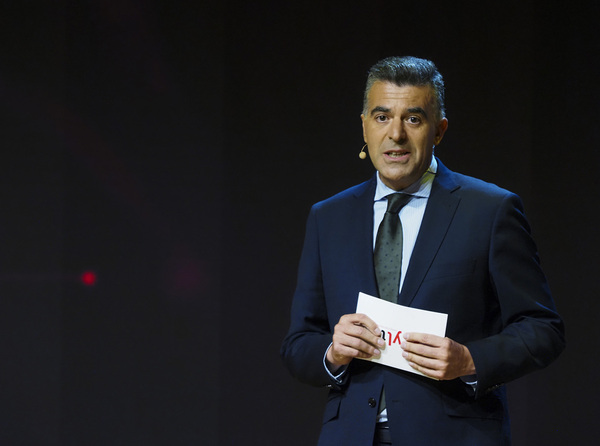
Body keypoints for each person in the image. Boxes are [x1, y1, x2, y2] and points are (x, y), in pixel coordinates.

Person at [280, 56, 565, 446]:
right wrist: (333, 351)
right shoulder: (328, 217)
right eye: (382, 117)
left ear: (439, 130)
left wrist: (469, 360)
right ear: (364, 126)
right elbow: (298, 344)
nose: (395, 134)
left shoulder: (489, 210)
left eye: (413, 119)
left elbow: (543, 329)